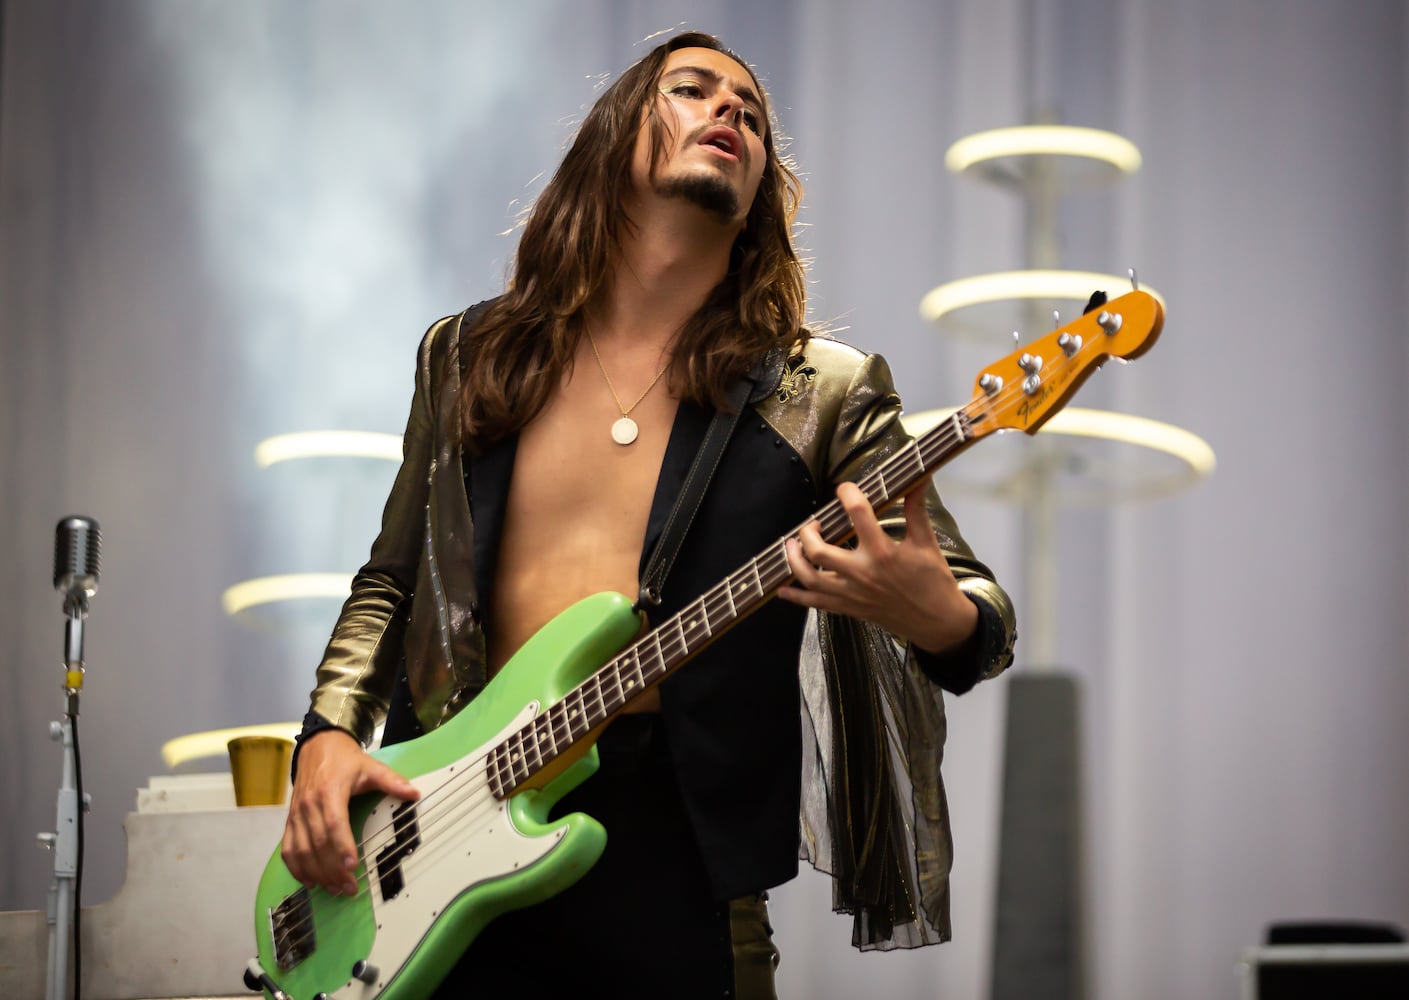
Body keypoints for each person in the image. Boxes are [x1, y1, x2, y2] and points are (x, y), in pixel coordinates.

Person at [279, 29, 1015, 999]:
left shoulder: (817, 391)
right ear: (614, 134)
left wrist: (934, 613)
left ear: (758, 195)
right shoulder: (467, 354)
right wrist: (328, 733)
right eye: (692, 89)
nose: (730, 113)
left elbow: (978, 615)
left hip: (676, 859)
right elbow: (392, 576)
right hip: (442, 825)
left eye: (749, 112)